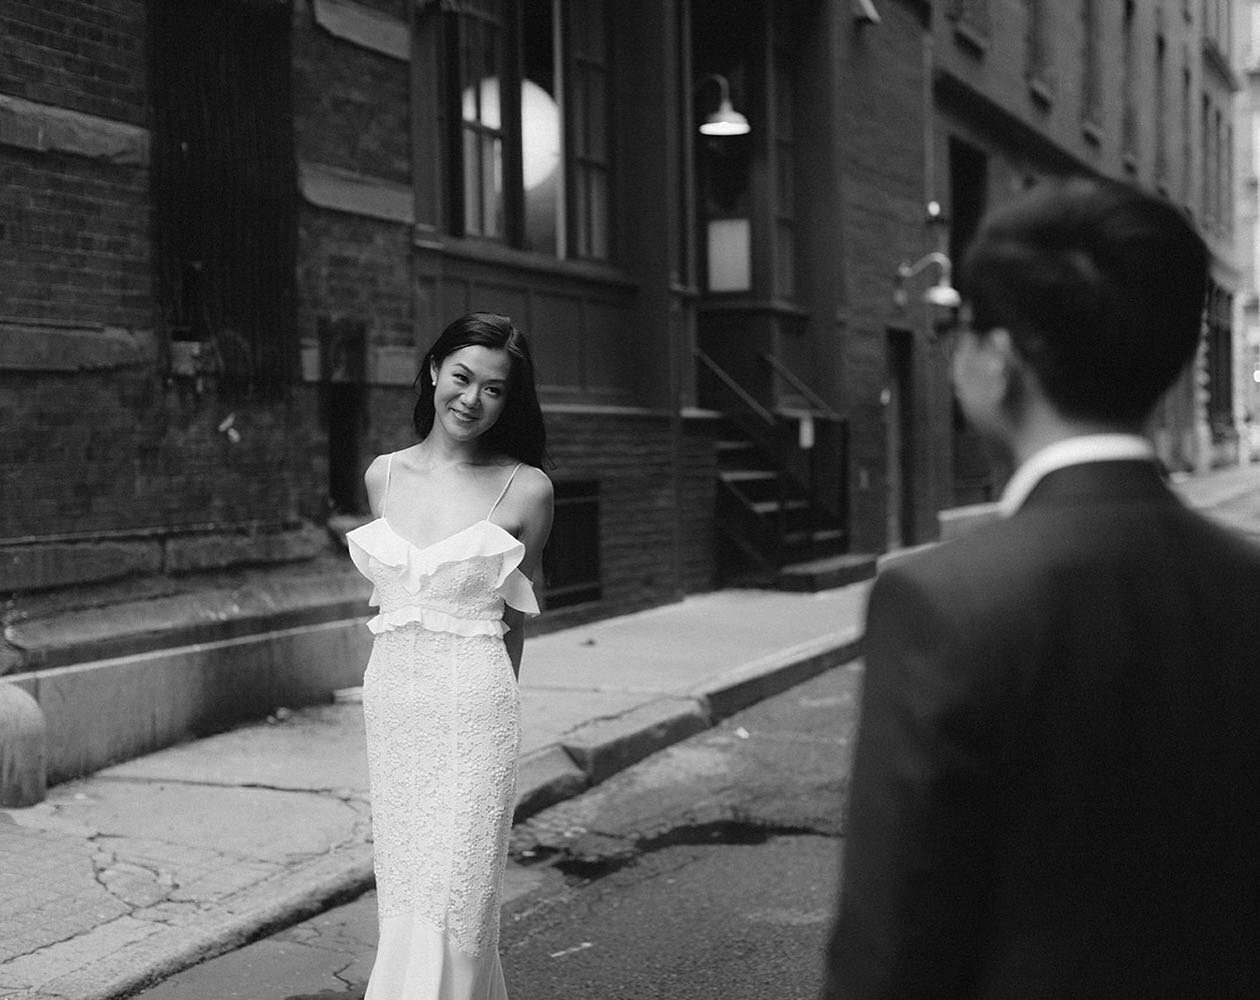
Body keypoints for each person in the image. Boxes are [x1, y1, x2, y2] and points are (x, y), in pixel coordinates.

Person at [823, 176, 1260, 999]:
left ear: (998, 359)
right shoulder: (1248, 585)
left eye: (961, 333)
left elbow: (891, 948)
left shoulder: (941, 602)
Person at [347, 312, 553, 1000]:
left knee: (460, 897)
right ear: (434, 370)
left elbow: (520, 614)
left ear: (507, 402)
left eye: (493, 390)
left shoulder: (527, 489)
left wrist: (502, 713)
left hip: (475, 709)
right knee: (406, 888)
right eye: (461, 377)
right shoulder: (382, 477)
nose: (471, 399)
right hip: (395, 707)